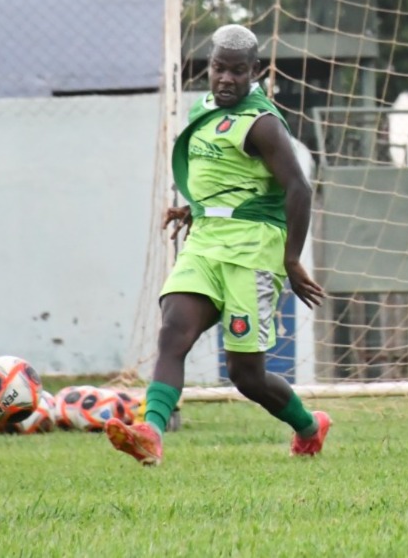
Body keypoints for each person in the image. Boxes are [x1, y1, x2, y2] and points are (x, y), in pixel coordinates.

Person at [107, 25, 330, 466]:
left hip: (251, 254)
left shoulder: (262, 124)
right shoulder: (203, 110)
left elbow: (298, 189)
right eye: (218, 68)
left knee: (247, 376)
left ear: (255, 73)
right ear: (208, 68)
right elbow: (228, 180)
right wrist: (195, 209)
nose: (225, 79)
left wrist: (291, 259)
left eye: (237, 71)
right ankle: (150, 431)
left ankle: (309, 426)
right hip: (206, 246)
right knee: (173, 330)